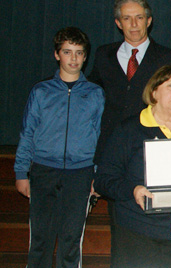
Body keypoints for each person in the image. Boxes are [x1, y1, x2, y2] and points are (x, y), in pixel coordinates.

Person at [94, 65, 171, 268]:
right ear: (154, 92)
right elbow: (103, 179)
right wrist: (132, 190)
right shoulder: (130, 129)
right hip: (138, 232)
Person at [15, 27, 104, 268]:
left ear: (85, 57)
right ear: (57, 55)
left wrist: (97, 175)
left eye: (79, 53)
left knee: (71, 238)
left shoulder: (95, 94)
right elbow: (27, 133)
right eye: (67, 52)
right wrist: (21, 172)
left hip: (81, 174)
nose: (73, 59)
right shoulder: (41, 91)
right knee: (40, 239)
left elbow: (99, 138)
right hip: (43, 170)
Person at [89, 0, 171, 160]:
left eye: (139, 17)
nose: (133, 24)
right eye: (126, 18)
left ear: (148, 21)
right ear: (118, 23)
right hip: (110, 147)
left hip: (152, 147)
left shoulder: (169, 58)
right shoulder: (104, 54)